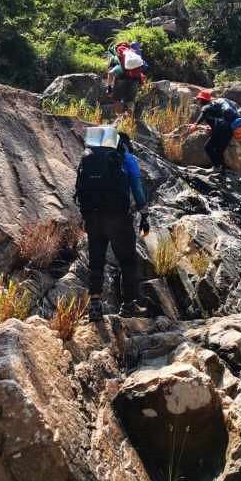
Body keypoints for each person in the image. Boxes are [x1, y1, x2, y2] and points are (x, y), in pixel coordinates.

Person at [74, 126, 151, 322]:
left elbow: (80, 188)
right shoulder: (126, 158)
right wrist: (144, 213)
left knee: (96, 261)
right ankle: (128, 306)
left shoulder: (87, 158)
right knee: (127, 261)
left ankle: (95, 305)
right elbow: (137, 188)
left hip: (93, 217)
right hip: (118, 218)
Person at [190, 90, 241, 174]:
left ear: (201, 100)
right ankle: (222, 170)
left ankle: (216, 167)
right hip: (229, 130)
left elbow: (202, 115)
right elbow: (219, 120)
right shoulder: (216, 106)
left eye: (198, 99)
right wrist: (211, 128)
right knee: (219, 150)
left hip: (221, 130)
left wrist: (195, 124)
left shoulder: (206, 107)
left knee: (208, 147)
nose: (198, 101)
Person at [105, 41, 146, 116]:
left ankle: (118, 118)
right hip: (135, 79)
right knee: (130, 100)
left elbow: (111, 73)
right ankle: (129, 118)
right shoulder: (134, 53)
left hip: (122, 78)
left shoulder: (118, 52)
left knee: (116, 99)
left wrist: (109, 87)